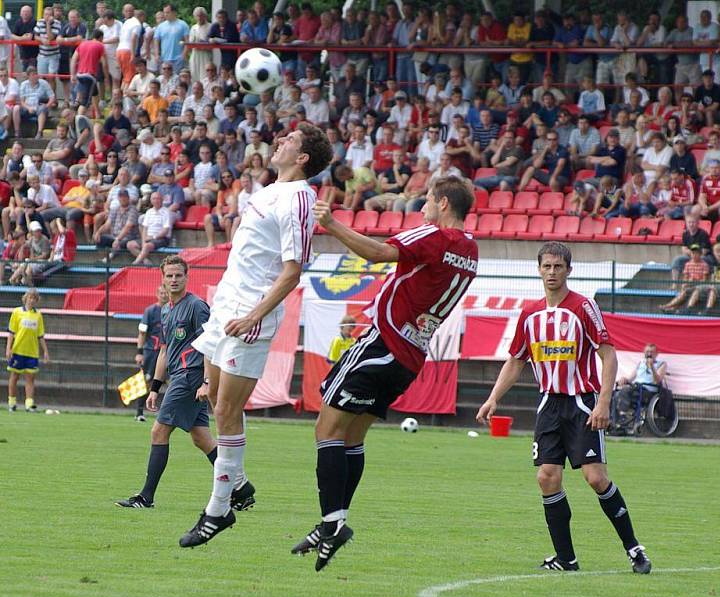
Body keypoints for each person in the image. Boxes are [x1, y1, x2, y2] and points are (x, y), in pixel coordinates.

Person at [289, 175, 478, 571]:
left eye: (427, 199)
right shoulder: (471, 250)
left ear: (443, 203)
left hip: (382, 344)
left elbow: (378, 253)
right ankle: (333, 521)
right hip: (409, 358)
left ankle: (331, 524)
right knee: (352, 436)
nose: (422, 205)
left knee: (326, 430)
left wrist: (333, 224)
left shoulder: (435, 236)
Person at [178, 124, 333, 548]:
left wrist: (253, 316)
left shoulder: (301, 198)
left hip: (251, 313)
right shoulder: (267, 190)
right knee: (213, 399)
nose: (280, 141)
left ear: (303, 158)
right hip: (226, 303)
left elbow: (292, 270)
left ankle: (218, 509)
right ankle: (239, 482)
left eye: (290, 141)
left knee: (227, 409)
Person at [476, 241, 650, 574]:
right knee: (547, 477)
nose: (552, 272)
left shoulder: (584, 307)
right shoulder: (530, 314)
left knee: (596, 478)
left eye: (558, 266)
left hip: (583, 403)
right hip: (549, 404)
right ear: (538, 269)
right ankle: (566, 560)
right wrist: (493, 397)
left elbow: (608, 354)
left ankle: (634, 549)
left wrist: (603, 401)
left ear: (569, 270)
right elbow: (516, 360)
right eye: (547, 266)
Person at [115, 256, 216, 509]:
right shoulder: (166, 309)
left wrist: (206, 382)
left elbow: (210, 347)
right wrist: (155, 387)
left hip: (190, 376)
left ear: (187, 276)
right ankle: (240, 488)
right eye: (169, 275)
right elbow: (164, 350)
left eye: (178, 275)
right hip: (178, 376)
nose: (173, 280)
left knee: (158, 431)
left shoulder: (197, 306)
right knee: (201, 438)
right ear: (162, 278)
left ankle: (146, 497)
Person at [6, 288, 49, 413]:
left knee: (30, 378)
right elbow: (11, 332)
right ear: (26, 298)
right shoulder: (17, 312)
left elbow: (40, 335)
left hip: (32, 352)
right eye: (30, 298)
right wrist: (8, 348)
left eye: (34, 299)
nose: (32, 300)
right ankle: (12, 403)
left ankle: (29, 404)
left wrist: (45, 351)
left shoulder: (38, 315)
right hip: (18, 350)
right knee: (14, 376)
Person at [614, 344, 667, 434]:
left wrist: (652, 367)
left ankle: (623, 416)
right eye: (647, 352)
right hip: (636, 388)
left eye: (651, 352)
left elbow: (657, 381)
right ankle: (614, 422)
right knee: (615, 394)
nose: (649, 354)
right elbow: (631, 378)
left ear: (656, 353)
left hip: (648, 391)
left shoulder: (661, 364)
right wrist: (624, 380)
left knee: (626, 391)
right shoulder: (641, 363)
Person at [134, 285, 169, 422]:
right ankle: (139, 412)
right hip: (151, 352)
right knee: (146, 381)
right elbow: (142, 333)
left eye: (166, 293)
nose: (164, 295)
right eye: (161, 293)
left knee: (172, 382)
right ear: (157, 294)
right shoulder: (150, 311)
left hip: (168, 352)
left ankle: (168, 413)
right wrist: (139, 352)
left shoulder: (173, 310)